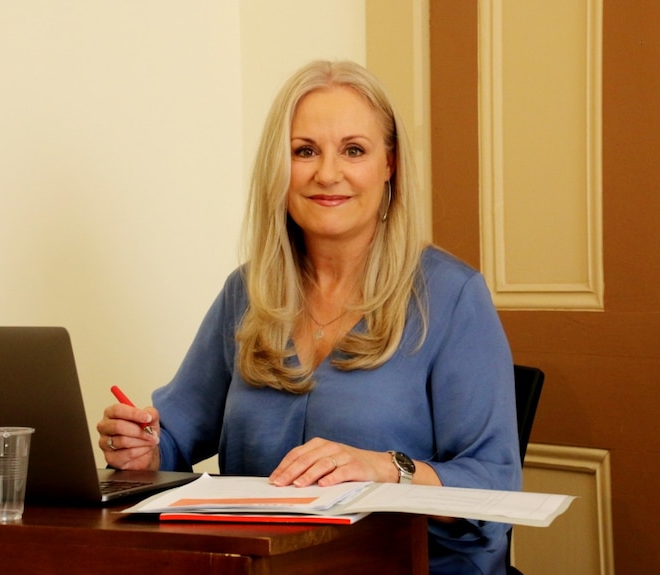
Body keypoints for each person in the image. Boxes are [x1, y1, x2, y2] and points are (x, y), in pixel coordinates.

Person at [97, 59, 520, 575]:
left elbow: (495, 484)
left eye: (354, 150)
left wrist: (385, 469)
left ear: (390, 166)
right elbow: (176, 438)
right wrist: (142, 448)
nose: (327, 173)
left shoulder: (452, 296)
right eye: (304, 152)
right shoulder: (247, 293)